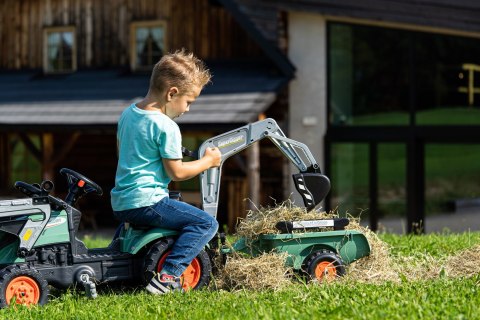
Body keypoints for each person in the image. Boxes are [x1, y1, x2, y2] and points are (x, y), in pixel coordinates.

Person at [110, 49, 222, 294]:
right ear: (172, 93)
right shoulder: (166, 126)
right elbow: (177, 173)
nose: (188, 109)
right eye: (188, 102)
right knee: (206, 223)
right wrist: (208, 161)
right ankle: (168, 275)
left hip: (122, 202)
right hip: (147, 201)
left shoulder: (128, 114)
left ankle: (113, 263)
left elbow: (127, 157)